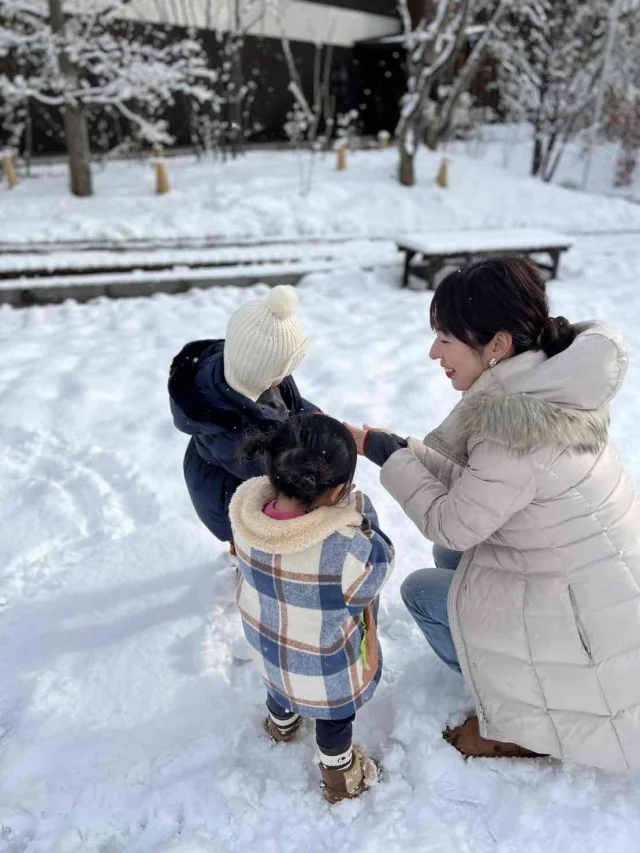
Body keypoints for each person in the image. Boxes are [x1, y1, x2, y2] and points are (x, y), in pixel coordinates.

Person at [349, 257, 640, 772]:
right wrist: (394, 448)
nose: (434, 351)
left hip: (593, 646)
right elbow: (482, 490)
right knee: (453, 554)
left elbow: (452, 519)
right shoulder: (551, 386)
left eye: (446, 337)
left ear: (498, 347)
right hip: (604, 602)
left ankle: (526, 722)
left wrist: (388, 457)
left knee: (423, 589)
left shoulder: (516, 431)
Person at [228, 414, 394, 802]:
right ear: (338, 492)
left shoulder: (246, 518)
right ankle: (340, 776)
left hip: (270, 648)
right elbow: (378, 566)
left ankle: (281, 725)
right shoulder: (344, 548)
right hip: (324, 668)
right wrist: (359, 515)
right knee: (334, 721)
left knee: (281, 689)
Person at [168, 286, 320, 552]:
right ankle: (240, 567)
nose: (284, 378)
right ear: (259, 369)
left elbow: (291, 405)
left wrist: (317, 421)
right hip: (228, 497)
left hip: (245, 475)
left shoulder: (250, 372)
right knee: (247, 545)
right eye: (281, 370)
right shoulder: (228, 430)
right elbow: (275, 471)